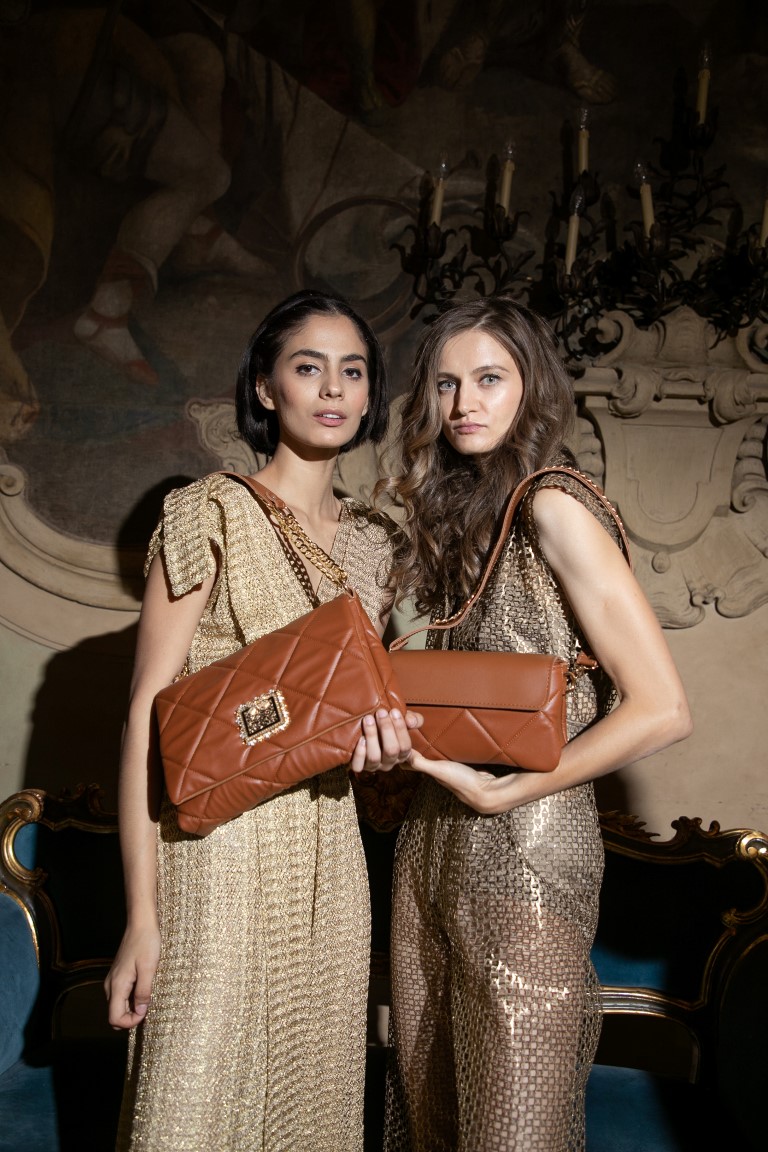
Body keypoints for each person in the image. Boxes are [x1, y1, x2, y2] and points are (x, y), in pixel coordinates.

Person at [374, 297, 692, 1151]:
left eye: (489, 379)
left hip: (528, 849)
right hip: (432, 846)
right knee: (436, 1116)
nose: (463, 403)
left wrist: (505, 794)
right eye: (446, 384)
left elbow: (664, 707)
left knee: (515, 1128)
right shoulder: (464, 521)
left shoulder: (553, 504)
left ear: (531, 389)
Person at [105, 289, 414, 1151]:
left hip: (332, 863)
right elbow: (143, 717)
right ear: (266, 388)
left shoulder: (376, 543)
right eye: (308, 367)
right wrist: (141, 918)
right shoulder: (208, 509)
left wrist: (386, 756)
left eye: (353, 370)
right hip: (218, 854)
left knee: (308, 1108)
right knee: (193, 1106)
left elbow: (353, 719)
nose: (334, 388)